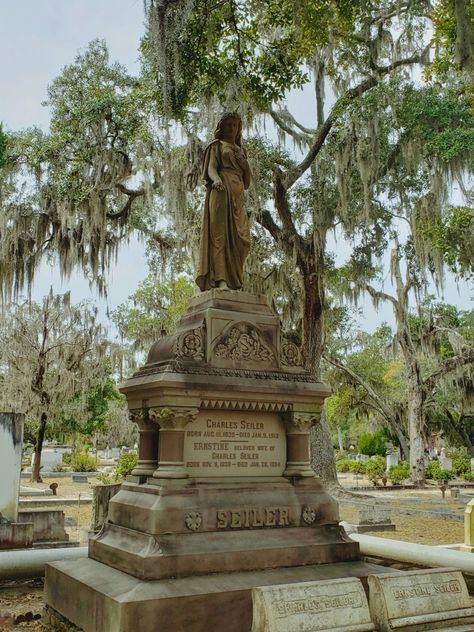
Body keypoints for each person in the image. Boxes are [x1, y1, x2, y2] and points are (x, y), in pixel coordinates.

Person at [196, 112, 252, 291]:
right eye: (229, 125)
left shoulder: (241, 151)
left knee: (242, 240)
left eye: (235, 126)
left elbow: (247, 183)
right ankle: (221, 281)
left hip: (237, 195)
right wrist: (217, 180)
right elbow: (211, 168)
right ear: (222, 127)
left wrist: (245, 166)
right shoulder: (216, 146)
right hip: (220, 192)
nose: (232, 129)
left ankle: (235, 281)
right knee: (219, 237)